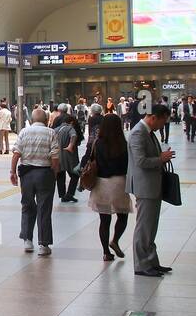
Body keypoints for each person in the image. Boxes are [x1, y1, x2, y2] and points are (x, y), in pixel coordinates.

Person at [128, 105, 175, 278]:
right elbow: (140, 161)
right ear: (154, 117)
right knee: (144, 227)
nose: (162, 126)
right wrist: (160, 158)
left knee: (151, 227)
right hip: (145, 187)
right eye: (163, 121)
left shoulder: (148, 132)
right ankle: (141, 265)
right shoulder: (138, 133)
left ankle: (152, 262)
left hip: (153, 186)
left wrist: (161, 157)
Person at [82, 113, 132, 261]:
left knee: (104, 221)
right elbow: (129, 165)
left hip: (101, 184)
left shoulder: (97, 143)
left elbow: (89, 160)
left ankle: (106, 252)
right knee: (122, 217)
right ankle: (115, 240)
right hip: (119, 184)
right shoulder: (124, 144)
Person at [10, 108, 60, 256]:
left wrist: (12, 172)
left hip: (26, 174)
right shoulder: (51, 133)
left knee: (27, 206)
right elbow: (55, 158)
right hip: (45, 173)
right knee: (44, 208)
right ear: (46, 120)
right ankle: (44, 245)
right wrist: (54, 173)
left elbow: (16, 153)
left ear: (31, 120)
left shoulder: (24, 132)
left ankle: (27, 240)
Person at [53, 112, 80, 203]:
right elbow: (73, 135)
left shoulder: (56, 129)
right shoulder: (70, 128)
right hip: (69, 157)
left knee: (60, 175)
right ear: (71, 122)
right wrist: (71, 145)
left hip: (57, 156)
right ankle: (70, 194)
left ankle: (63, 195)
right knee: (75, 174)